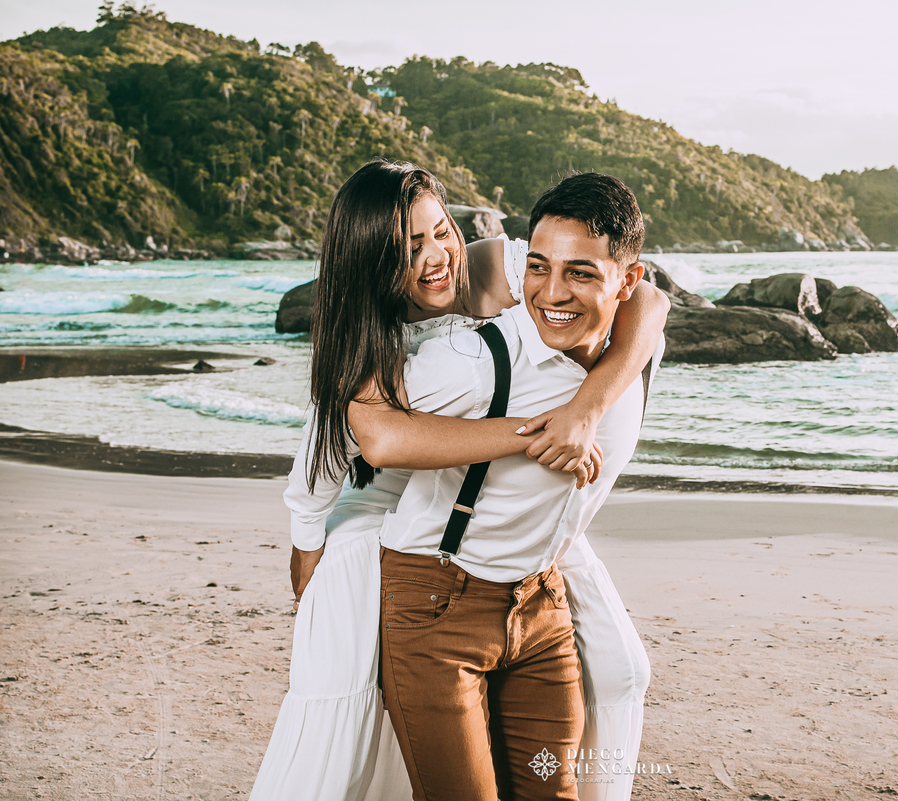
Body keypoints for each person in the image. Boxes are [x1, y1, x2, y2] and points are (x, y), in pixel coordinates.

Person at [250, 162, 667, 801]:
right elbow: (363, 445)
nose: (436, 257)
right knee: (353, 700)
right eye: (408, 248)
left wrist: (586, 409)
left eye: (441, 231)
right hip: (402, 514)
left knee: (618, 669)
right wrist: (308, 541)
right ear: (370, 263)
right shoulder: (378, 342)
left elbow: (645, 299)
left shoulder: (497, 266)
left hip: (503, 514)